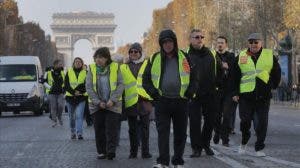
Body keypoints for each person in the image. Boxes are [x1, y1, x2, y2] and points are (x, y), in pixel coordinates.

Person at [143, 29, 192, 168]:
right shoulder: (154, 58)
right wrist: (155, 95)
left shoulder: (185, 57)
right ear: (161, 44)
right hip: (162, 101)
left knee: (180, 134)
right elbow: (145, 80)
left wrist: (189, 93)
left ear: (174, 42)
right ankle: (163, 162)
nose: (167, 45)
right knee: (163, 134)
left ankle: (178, 161)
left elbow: (195, 77)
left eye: (170, 41)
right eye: (164, 42)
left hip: (181, 101)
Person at [232, 33, 281, 157]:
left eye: (256, 42)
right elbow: (234, 76)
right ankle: (244, 141)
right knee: (245, 122)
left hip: (263, 96)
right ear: (248, 43)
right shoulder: (241, 56)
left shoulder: (269, 55)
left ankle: (259, 148)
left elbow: (277, 72)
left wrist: (272, 86)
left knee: (262, 124)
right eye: (251, 42)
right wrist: (235, 93)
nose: (253, 44)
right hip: (246, 96)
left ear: (261, 43)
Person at [186, 29, 223, 158]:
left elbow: (220, 70)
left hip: (210, 93)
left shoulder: (212, 53)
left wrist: (217, 85)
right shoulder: (185, 55)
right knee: (195, 122)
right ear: (190, 39)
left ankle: (206, 144)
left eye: (202, 36)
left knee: (210, 121)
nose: (200, 39)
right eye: (196, 37)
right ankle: (196, 148)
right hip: (193, 95)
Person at [86, 47, 124, 160]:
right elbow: (89, 87)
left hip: (112, 104)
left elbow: (120, 84)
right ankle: (101, 151)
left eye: (101, 57)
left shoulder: (115, 67)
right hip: (97, 105)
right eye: (96, 57)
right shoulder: (91, 68)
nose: (98, 60)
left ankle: (111, 151)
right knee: (99, 129)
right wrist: (98, 102)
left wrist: (112, 100)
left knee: (111, 129)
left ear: (107, 58)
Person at [120, 42, 152, 159]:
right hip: (131, 102)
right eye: (131, 51)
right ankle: (133, 152)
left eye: (136, 51)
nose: (133, 53)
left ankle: (145, 152)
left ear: (140, 53)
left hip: (144, 100)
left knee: (145, 129)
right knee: (132, 129)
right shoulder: (123, 67)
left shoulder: (147, 64)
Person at [213, 36, 236, 146]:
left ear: (226, 44)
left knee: (227, 115)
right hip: (217, 90)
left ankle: (225, 138)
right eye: (218, 43)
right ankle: (217, 132)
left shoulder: (231, 56)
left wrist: (228, 67)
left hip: (229, 90)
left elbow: (236, 72)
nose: (220, 45)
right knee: (216, 116)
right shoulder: (213, 56)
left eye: (222, 43)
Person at [65, 57, 88, 140]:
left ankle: (79, 133)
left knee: (79, 116)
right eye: (76, 62)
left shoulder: (86, 72)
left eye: (79, 62)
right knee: (71, 117)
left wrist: (80, 91)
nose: (78, 63)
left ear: (82, 63)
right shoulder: (69, 72)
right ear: (73, 63)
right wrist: (73, 92)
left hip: (81, 97)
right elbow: (66, 85)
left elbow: (87, 84)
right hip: (70, 97)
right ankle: (72, 132)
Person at [44, 60, 65, 127]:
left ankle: (59, 116)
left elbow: (65, 81)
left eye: (61, 64)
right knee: (53, 107)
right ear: (55, 65)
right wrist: (50, 88)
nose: (61, 65)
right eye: (60, 64)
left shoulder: (62, 72)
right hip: (51, 92)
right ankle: (54, 121)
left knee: (61, 106)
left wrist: (64, 88)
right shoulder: (48, 72)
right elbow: (44, 81)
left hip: (60, 92)